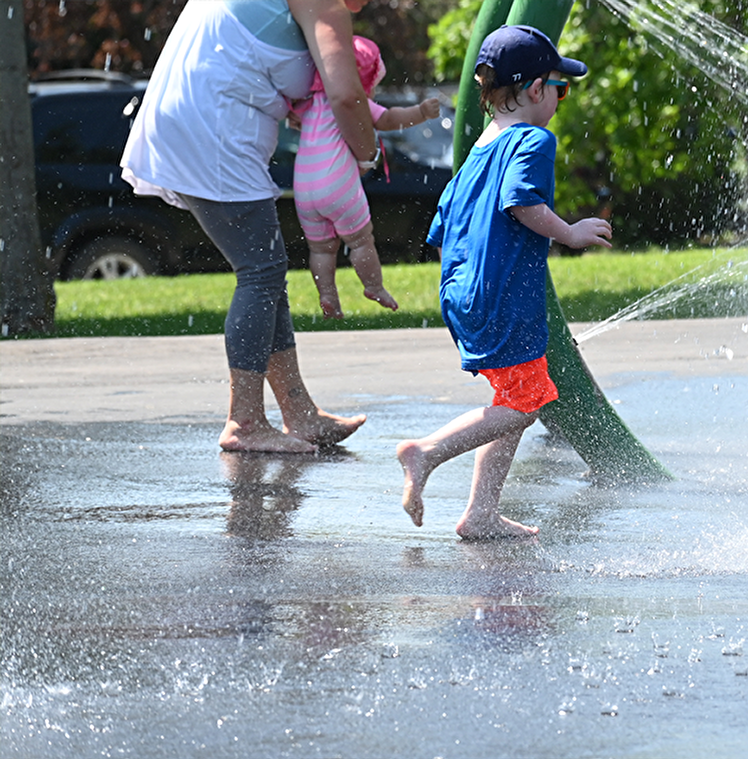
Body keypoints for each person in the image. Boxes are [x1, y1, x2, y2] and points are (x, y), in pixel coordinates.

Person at [121, 0, 378, 454]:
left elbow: (246, 58)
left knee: (266, 268)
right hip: (213, 131)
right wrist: (368, 153)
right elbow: (345, 95)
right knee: (261, 272)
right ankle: (244, 421)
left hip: (191, 119)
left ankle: (299, 413)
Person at [396, 25, 612, 540]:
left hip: (465, 289)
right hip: (504, 296)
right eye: (561, 88)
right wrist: (570, 234)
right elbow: (521, 201)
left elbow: (443, 224)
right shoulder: (533, 140)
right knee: (527, 404)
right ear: (536, 89)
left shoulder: (480, 146)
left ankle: (481, 513)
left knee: (514, 398)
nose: (560, 99)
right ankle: (425, 452)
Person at [292, 35, 441, 320]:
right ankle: (373, 286)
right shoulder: (352, 99)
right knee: (360, 241)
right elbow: (389, 119)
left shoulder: (310, 103)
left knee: (321, 249)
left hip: (304, 188)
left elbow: (292, 115)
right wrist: (421, 112)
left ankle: (327, 295)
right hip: (337, 184)